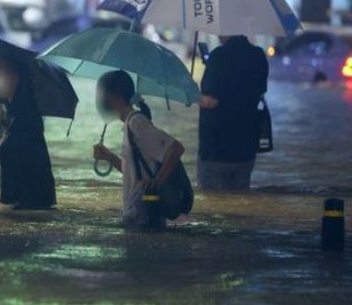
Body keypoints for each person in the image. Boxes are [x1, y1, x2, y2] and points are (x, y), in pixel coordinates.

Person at [91, 70, 185, 226]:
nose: (101, 100)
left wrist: (157, 182)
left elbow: (176, 148)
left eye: (103, 94)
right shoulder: (129, 124)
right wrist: (108, 156)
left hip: (145, 213)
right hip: (137, 212)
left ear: (116, 97)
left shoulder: (137, 123)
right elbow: (133, 171)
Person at [0, 57, 56, 210]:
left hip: (31, 193)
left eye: (6, 73)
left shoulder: (25, 112)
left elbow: (9, 143)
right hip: (27, 191)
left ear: (19, 78)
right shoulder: (12, 108)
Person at [198, 35, 269, 190]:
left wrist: (192, 95)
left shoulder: (218, 56)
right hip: (246, 147)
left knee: (214, 207)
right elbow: (259, 91)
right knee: (240, 202)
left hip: (217, 148)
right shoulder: (258, 55)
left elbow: (210, 101)